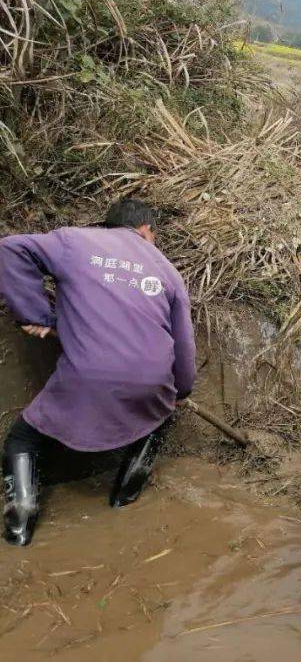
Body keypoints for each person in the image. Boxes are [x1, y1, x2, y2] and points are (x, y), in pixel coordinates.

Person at [0, 199, 196, 546]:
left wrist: (35, 315)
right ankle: (125, 498)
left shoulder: (73, 242)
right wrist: (180, 391)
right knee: (159, 418)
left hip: (87, 375)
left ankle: (19, 525)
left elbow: (10, 249)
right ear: (147, 230)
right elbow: (183, 344)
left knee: (23, 440)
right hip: (153, 380)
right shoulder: (168, 270)